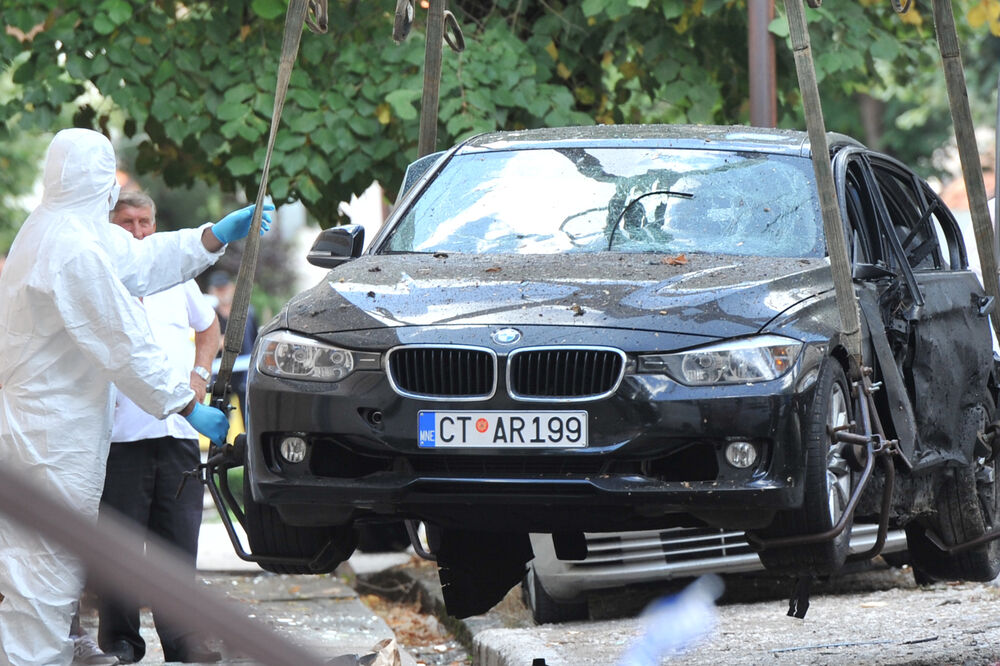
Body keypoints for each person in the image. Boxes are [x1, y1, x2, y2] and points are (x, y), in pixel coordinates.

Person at [0, 128, 271, 665]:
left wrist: (211, 235)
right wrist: (188, 405)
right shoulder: (70, 247)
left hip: (52, 425)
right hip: (51, 432)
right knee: (42, 566)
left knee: (52, 558)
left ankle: (47, 652)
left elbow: (142, 261)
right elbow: (121, 339)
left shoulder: (58, 228)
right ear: (99, 179)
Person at [95, 191, 222, 664]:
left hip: (178, 434)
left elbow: (209, 330)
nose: (138, 232)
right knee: (119, 547)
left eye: (145, 222)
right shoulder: (104, 276)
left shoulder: (175, 275)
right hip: (118, 435)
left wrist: (200, 376)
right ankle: (122, 642)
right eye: (127, 222)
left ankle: (183, 640)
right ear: (111, 225)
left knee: (177, 547)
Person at [207, 270, 258, 411]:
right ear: (212, 291)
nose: (222, 292)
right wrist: (217, 343)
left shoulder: (248, 313)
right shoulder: (209, 316)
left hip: (244, 375)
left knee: (249, 415)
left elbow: (254, 341)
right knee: (220, 415)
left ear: (232, 288)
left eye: (224, 288)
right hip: (220, 376)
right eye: (219, 289)